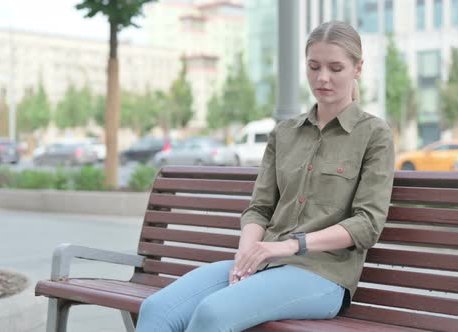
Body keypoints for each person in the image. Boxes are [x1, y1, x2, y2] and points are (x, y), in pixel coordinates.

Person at [135, 20, 395, 332]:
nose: (322, 78)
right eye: (313, 66)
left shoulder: (373, 133)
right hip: (265, 263)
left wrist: (289, 246)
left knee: (213, 313)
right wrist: (248, 252)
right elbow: (259, 208)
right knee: (157, 309)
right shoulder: (285, 133)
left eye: (335, 68)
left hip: (324, 275)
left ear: (358, 68)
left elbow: (367, 224)